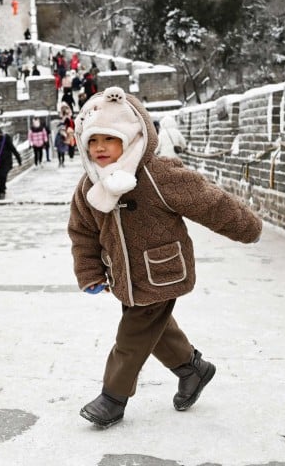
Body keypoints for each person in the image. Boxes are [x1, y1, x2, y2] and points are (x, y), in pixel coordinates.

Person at [67, 87, 263, 428]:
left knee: (131, 338)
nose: (99, 147)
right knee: (155, 329)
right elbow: (82, 232)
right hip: (125, 277)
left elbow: (208, 201)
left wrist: (246, 227)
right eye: (93, 139)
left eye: (109, 139)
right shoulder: (88, 187)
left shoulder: (157, 175)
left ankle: (112, 398)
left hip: (162, 271)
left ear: (131, 139)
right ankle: (193, 369)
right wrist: (90, 272)